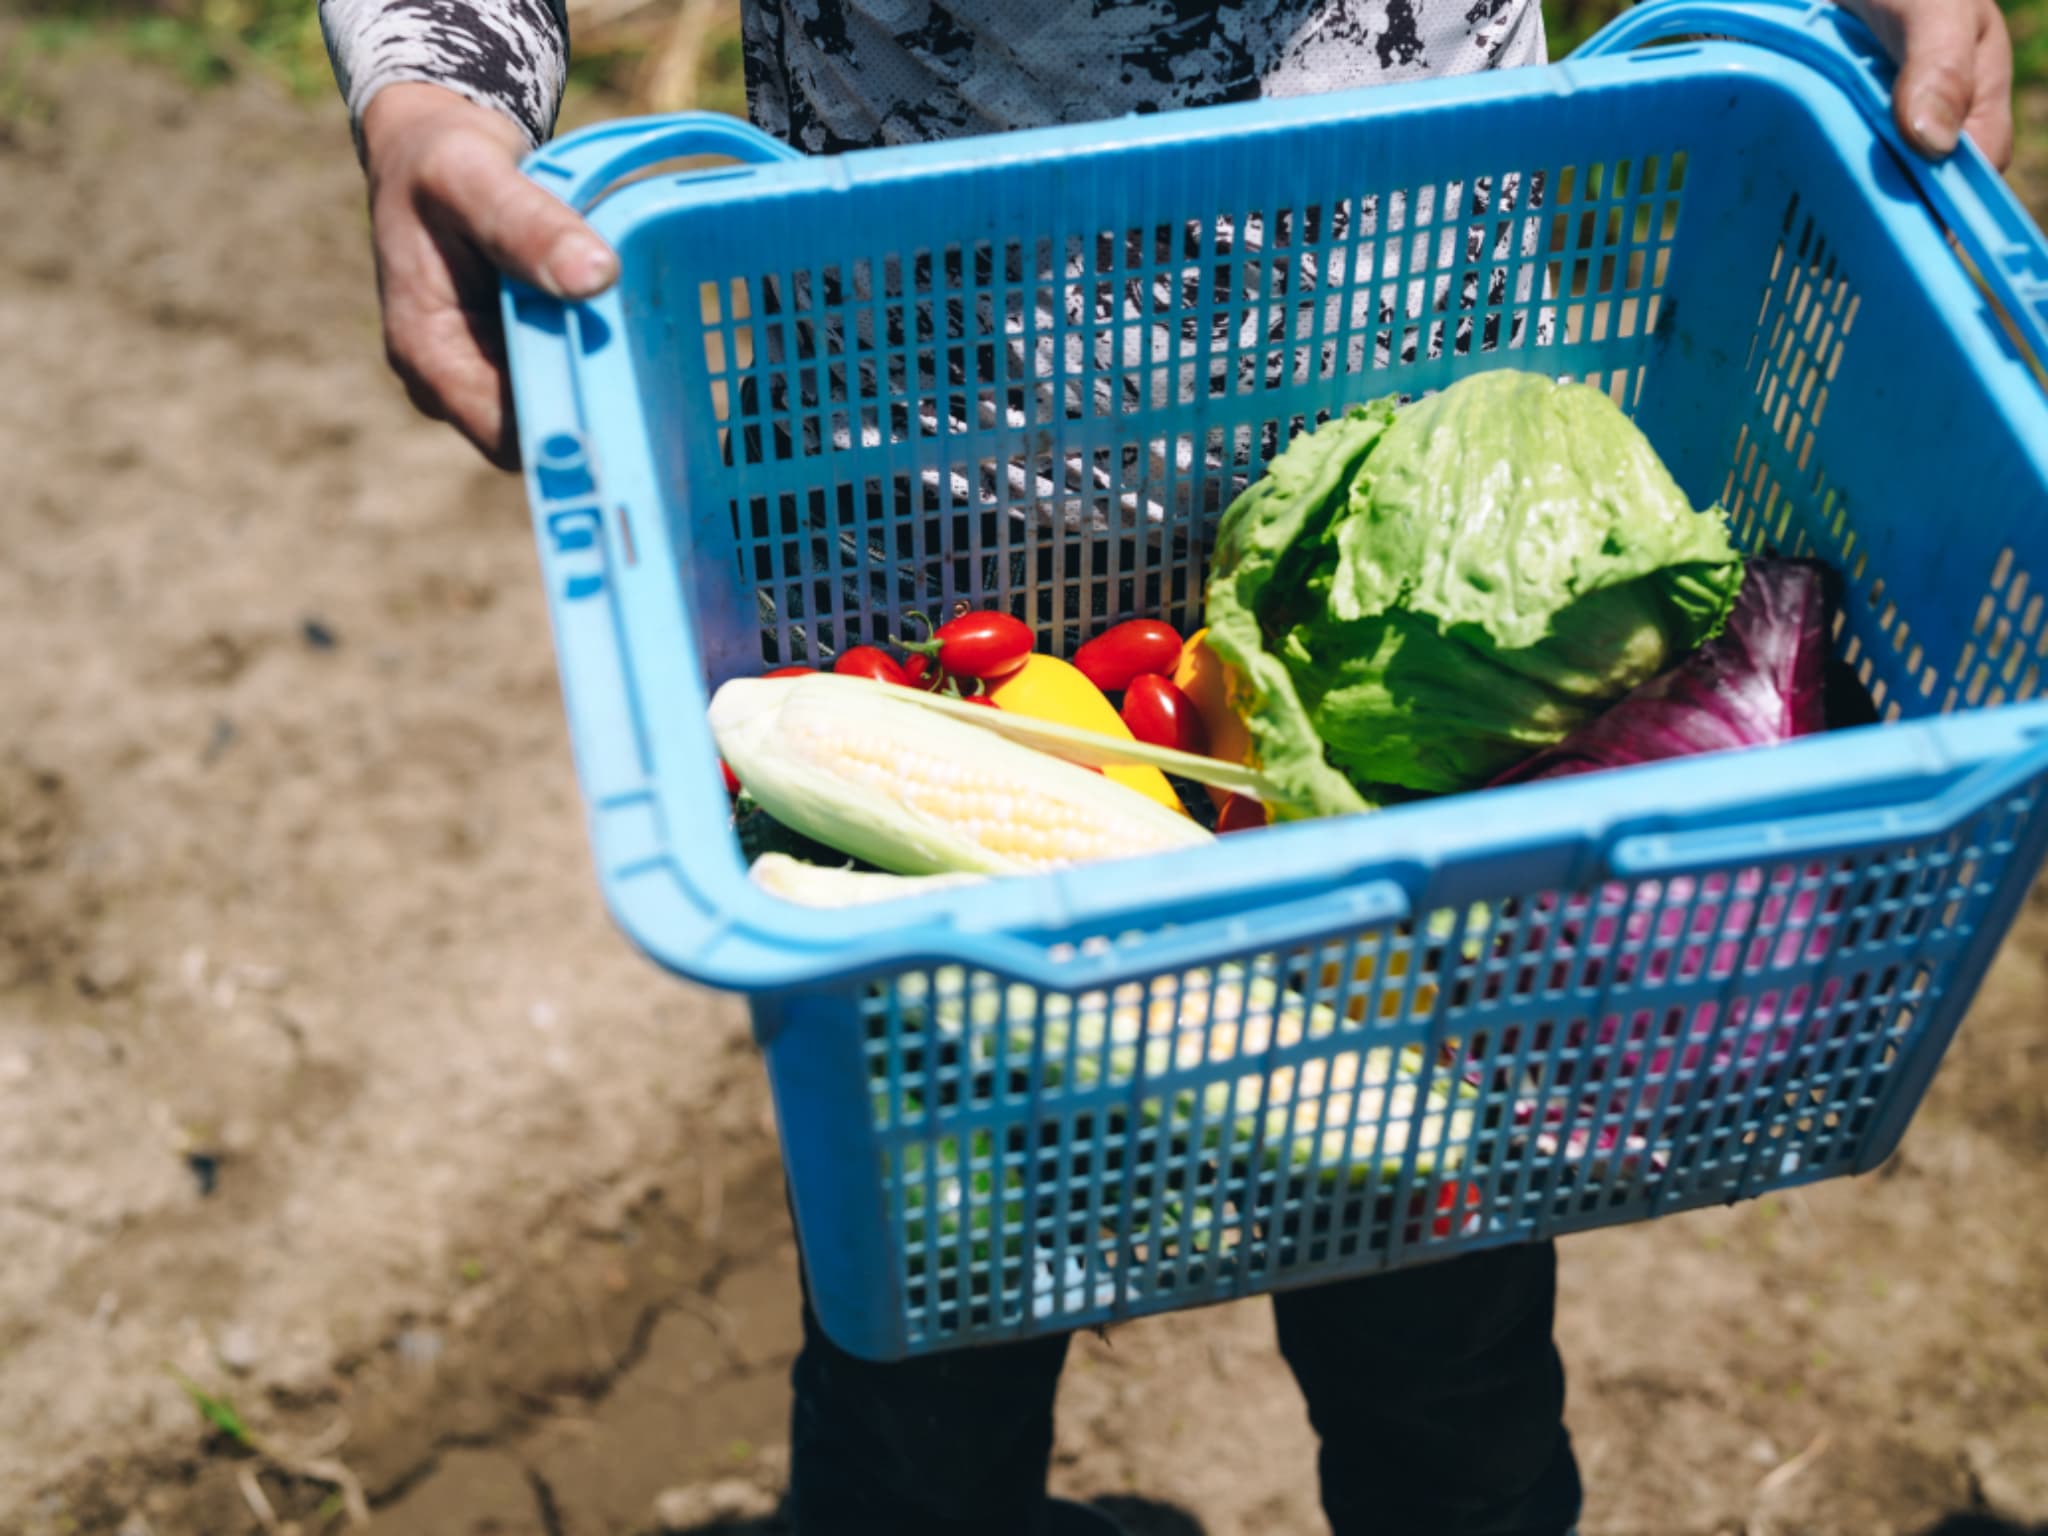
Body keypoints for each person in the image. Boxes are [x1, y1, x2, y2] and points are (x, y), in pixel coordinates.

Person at [315, 3, 2015, 1533]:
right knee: (941, 1307)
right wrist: (430, 92)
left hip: (1446, 549)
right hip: (926, 510)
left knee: (1441, 1286)